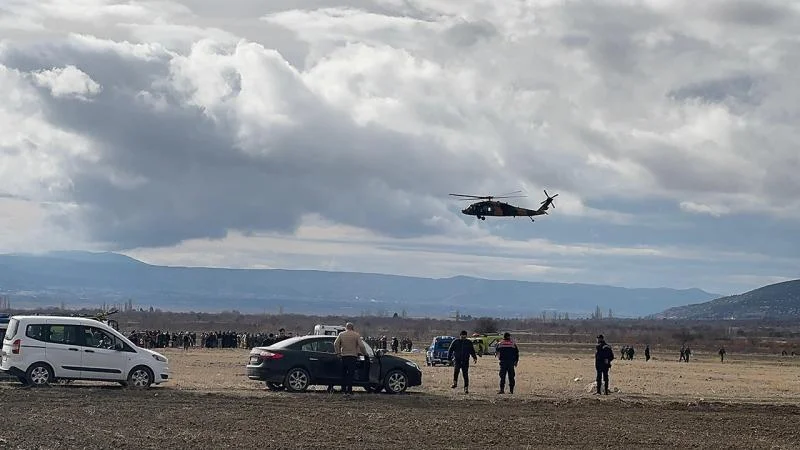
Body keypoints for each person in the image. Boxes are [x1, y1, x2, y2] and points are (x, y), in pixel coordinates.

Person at [334, 322, 366, 395]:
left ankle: (343, 390)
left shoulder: (341, 334)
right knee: (351, 374)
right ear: (352, 327)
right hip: (353, 357)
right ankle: (349, 390)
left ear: (346, 327)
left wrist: (338, 353)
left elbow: (336, 343)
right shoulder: (356, 335)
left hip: (344, 356)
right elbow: (361, 346)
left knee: (343, 374)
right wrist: (364, 353)